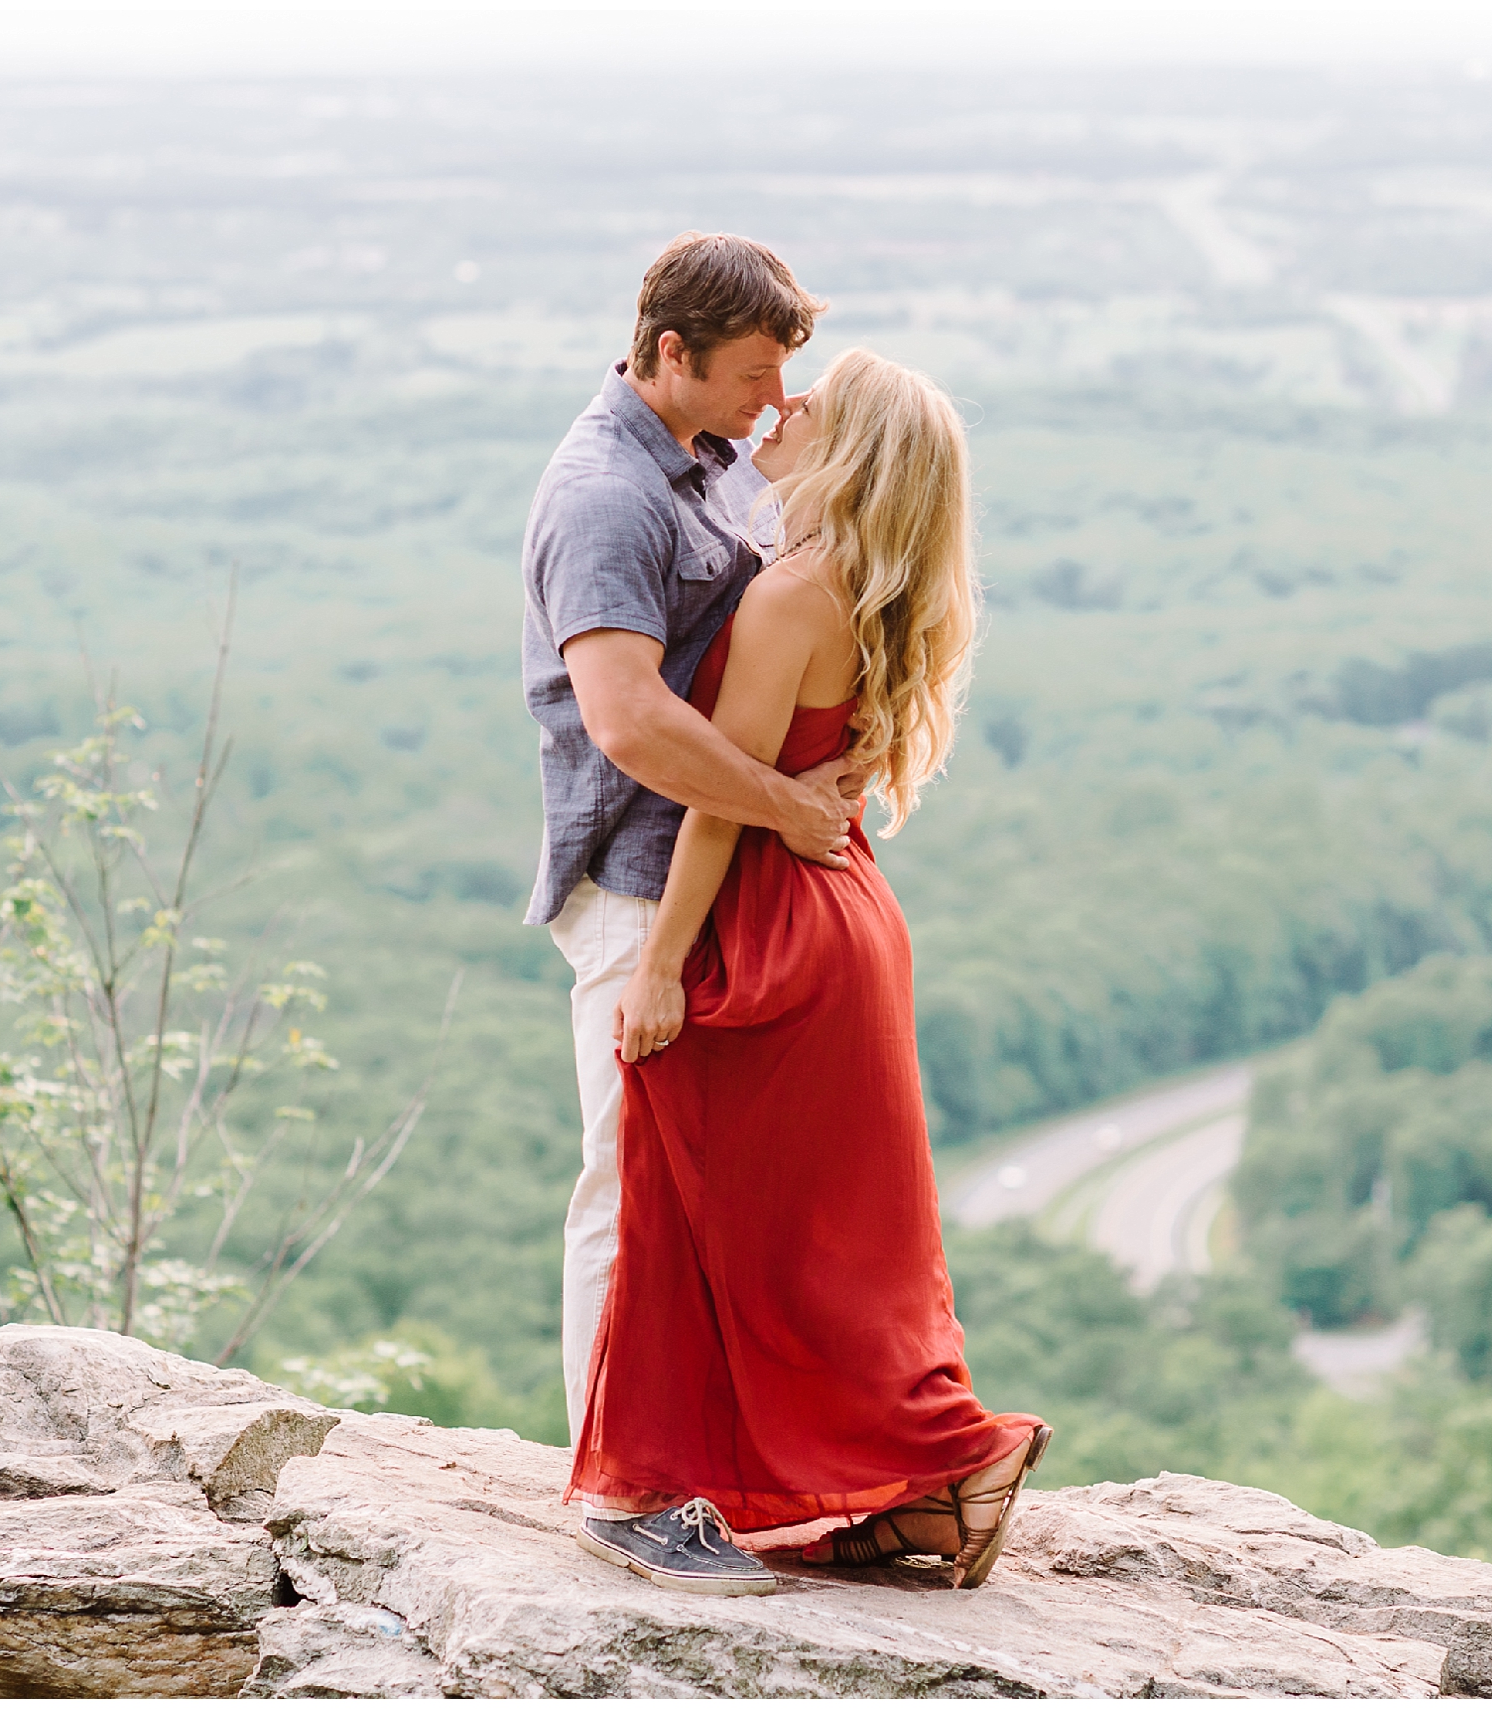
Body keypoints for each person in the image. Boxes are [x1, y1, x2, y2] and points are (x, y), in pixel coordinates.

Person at [565, 348, 1052, 1597]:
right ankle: (925, 1489)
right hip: (853, 913)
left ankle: (671, 1483)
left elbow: (719, 807)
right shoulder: (886, 591)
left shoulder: (792, 594)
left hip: (778, 920)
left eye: (813, 404)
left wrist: (662, 965)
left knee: (693, 1201)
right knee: (838, 1233)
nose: (786, 410)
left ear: (854, 451)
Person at [519, 234, 864, 1472]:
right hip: (633, 886)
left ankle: (709, 1457)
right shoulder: (604, 492)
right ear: (672, 352)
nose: (772, 400)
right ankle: (620, 1480)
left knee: (707, 1198)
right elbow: (631, 720)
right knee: (625, 1193)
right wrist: (783, 801)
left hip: (707, 877)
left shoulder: (701, 456)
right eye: (754, 374)